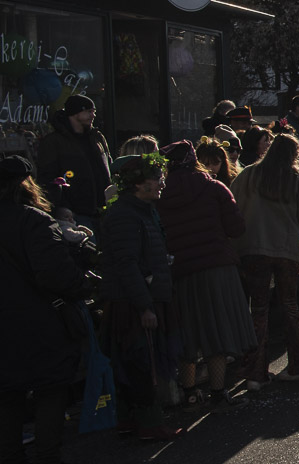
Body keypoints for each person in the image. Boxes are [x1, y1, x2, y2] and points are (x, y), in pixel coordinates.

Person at [0, 157, 90, 464]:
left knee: (7, 396)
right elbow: (56, 275)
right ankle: (48, 456)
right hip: (39, 322)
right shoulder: (34, 220)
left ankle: (11, 456)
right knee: (50, 392)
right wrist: (84, 283)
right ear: (26, 185)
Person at [154, 140, 256, 408]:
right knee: (217, 328)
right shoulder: (214, 187)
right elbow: (236, 228)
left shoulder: (159, 195)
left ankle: (189, 391)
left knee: (187, 329)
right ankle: (218, 392)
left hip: (180, 270)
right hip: (217, 266)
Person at [98, 152, 183, 440]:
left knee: (138, 362)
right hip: (133, 303)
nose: (161, 183)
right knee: (141, 363)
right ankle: (148, 423)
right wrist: (145, 306)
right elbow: (127, 264)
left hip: (144, 297)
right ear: (137, 183)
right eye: (156, 178)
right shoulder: (125, 214)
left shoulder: (144, 210)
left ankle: (131, 420)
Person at [232, 133, 299, 388]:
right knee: (290, 305)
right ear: (295, 155)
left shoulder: (249, 174)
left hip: (254, 246)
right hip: (287, 249)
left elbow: (233, 206)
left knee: (258, 308)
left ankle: (254, 373)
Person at [36, 93, 112, 228]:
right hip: (76, 212)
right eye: (88, 111)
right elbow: (47, 178)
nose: (93, 115)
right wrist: (61, 206)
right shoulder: (54, 142)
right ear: (75, 113)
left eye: (94, 112)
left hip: (104, 209)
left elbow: (110, 166)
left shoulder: (97, 138)